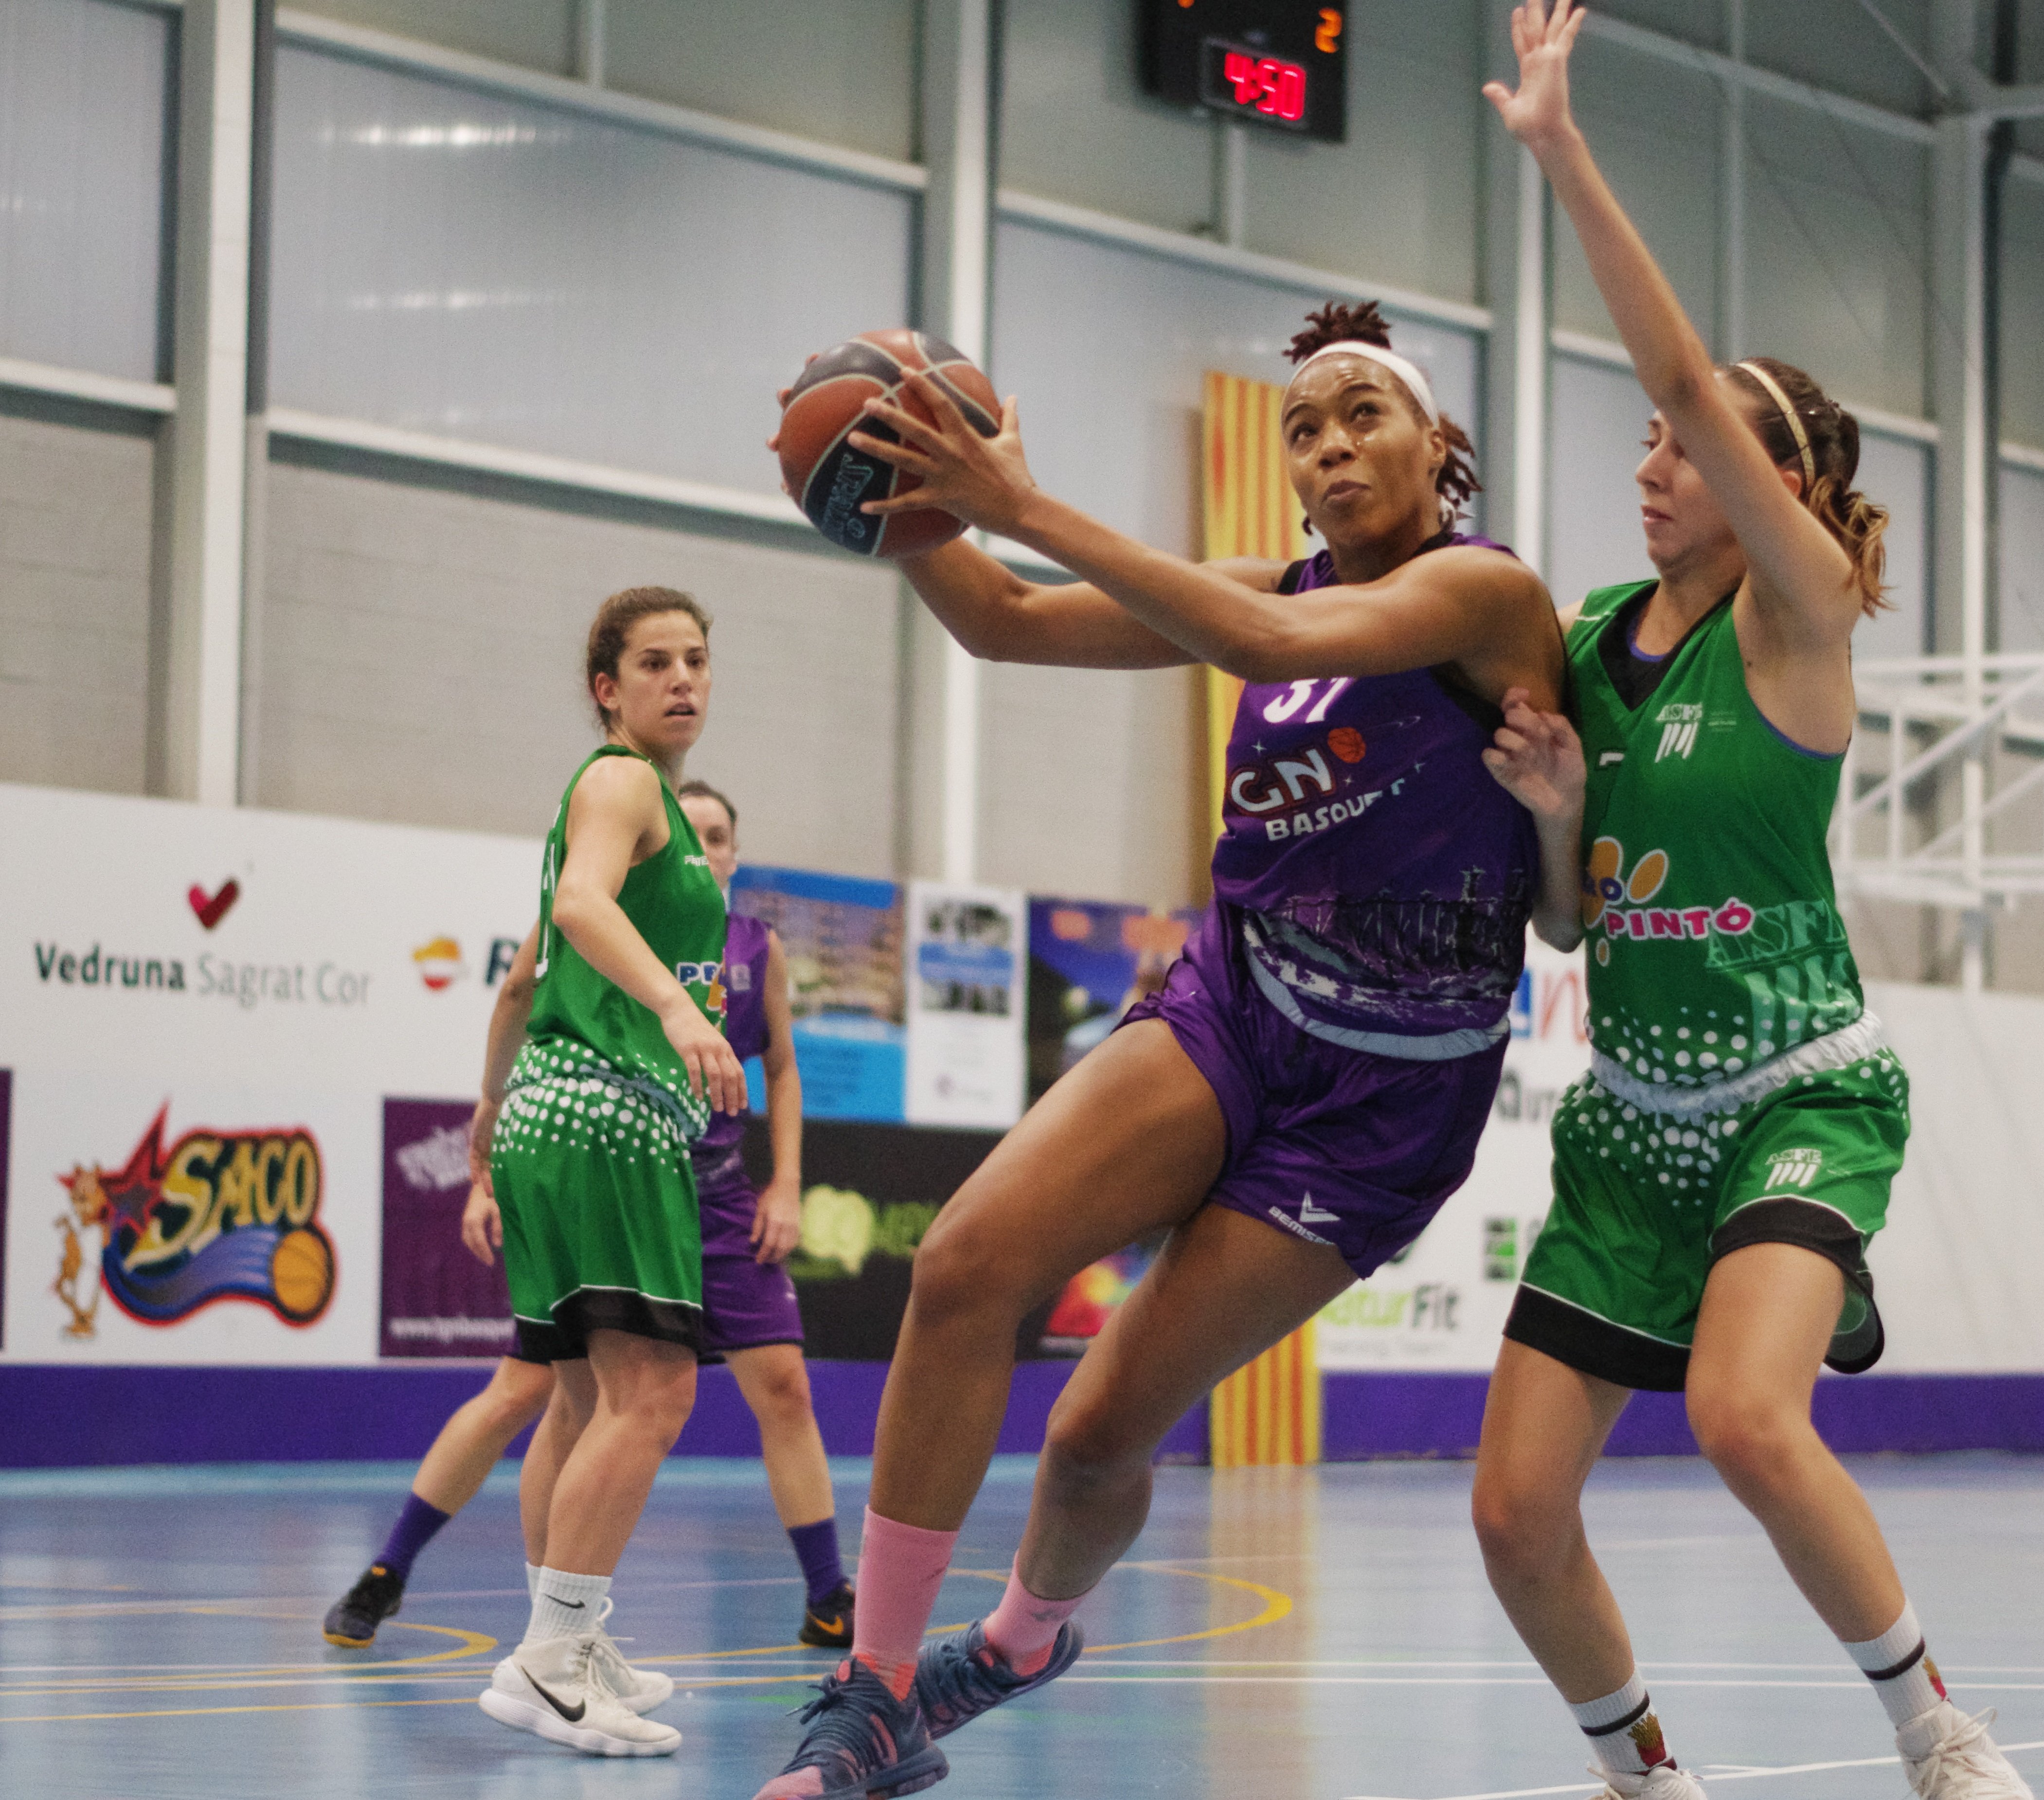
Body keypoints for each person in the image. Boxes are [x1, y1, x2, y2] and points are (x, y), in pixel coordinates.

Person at [749, 302, 1565, 1800]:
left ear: (1437, 443)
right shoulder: (1274, 579)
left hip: (1385, 1102)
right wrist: (902, 502)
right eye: (1302, 429)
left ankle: (1016, 1641)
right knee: (966, 1261)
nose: (1327, 446)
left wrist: (1026, 499)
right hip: (1239, 1003)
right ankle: (868, 1690)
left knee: (1098, 1430)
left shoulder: (1488, 593)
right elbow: (1001, 618)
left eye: (1360, 414)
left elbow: (1268, 640)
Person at [1470, 9, 2040, 1800]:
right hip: (1630, 1125)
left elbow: (1702, 388)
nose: (1652, 457)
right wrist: (1557, 822)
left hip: (1799, 1094)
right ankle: (1640, 1769)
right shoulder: (1577, 644)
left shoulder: (1793, 620)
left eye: (1683, 439)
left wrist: (1563, 154)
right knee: (1509, 1511)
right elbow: (1571, 931)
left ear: (1771, 489)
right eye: (1639, 439)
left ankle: (1933, 1729)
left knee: (1738, 1412)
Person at [322, 781, 856, 1657]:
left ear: (729, 854)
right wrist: (485, 1166)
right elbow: (513, 1006)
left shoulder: (759, 950)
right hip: (611, 1171)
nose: (705, 846)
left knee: (784, 1386)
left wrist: (787, 1181)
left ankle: (828, 1594)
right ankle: (391, 1573)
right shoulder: (594, 911)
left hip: (716, 1196)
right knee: (534, 1395)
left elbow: (786, 1068)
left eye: (720, 835)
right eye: (695, 830)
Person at [471, 586, 744, 1759]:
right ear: (607, 688)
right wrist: (679, 1009)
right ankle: (551, 1658)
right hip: (605, 1117)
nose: (681, 679)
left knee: (582, 1401)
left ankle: (562, 1637)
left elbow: (524, 979)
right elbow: (577, 905)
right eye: (653, 662)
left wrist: (489, 1122)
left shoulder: (654, 816)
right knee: (656, 1394)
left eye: (695, 660)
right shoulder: (623, 782)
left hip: (552, 1115)